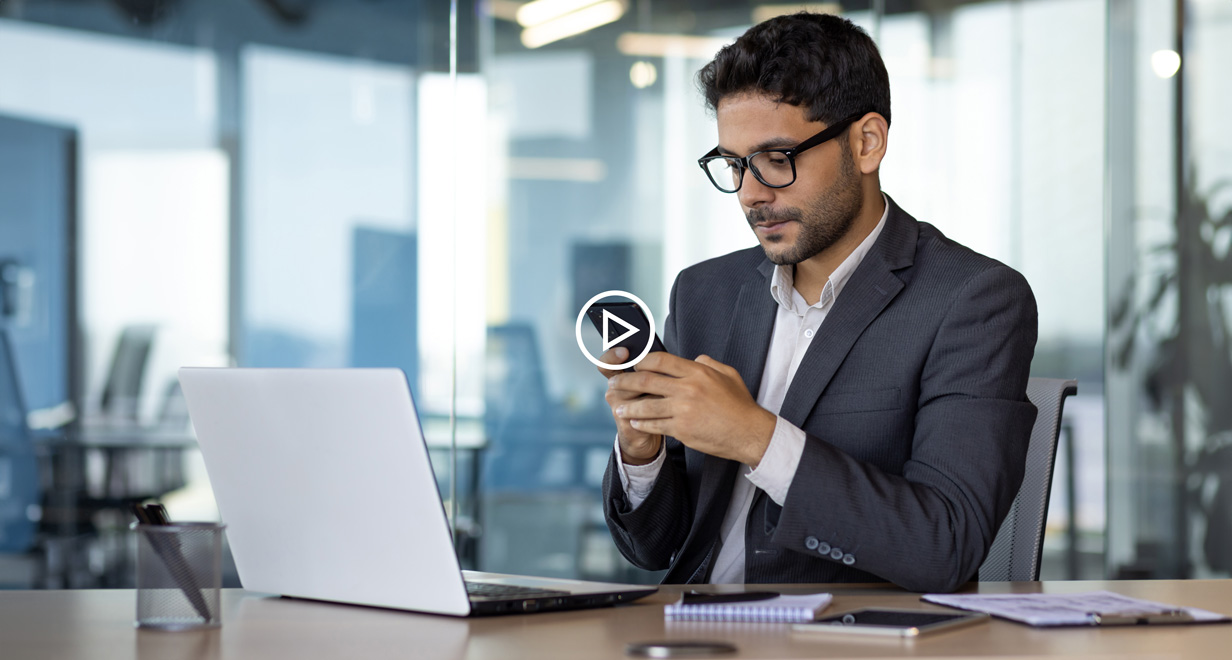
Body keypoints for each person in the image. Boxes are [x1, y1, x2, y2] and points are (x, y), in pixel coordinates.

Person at [596, 12, 1038, 593]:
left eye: (778, 159)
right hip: (684, 628)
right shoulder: (704, 293)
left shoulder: (972, 299)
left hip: (840, 639)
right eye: (734, 164)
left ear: (866, 143)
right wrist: (642, 447)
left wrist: (755, 436)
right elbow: (652, 549)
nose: (751, 193)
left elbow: (946, 546)